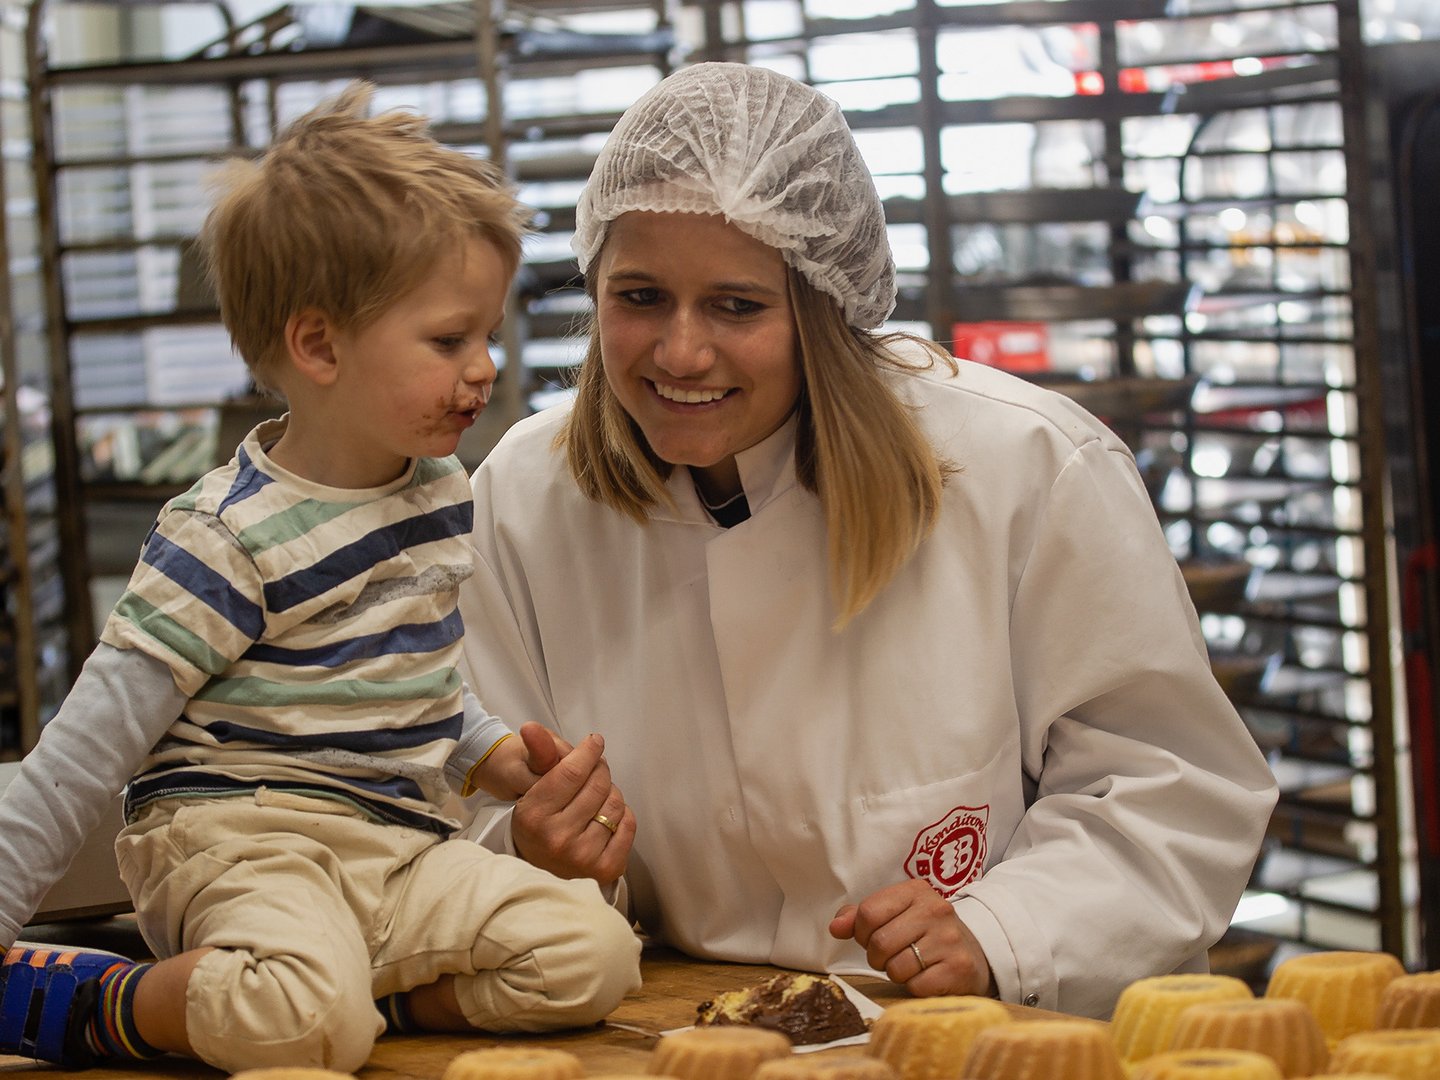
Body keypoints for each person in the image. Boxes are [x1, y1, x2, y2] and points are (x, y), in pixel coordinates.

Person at [454, 61, 1279, 1021]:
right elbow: (465, 794)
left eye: (737, 305)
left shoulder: (1025, 469)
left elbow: (1168, 788)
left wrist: (999, 931)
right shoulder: (523, 499)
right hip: (670, 1029)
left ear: (824, 307)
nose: (680, 353)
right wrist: (528, 848)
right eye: (640, 297)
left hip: (981, 1031)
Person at [0, 83, 640, 1074]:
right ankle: (97, 999)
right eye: (448, 340)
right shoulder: (225, 537)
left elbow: (399, 673)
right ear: (318, 344)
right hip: (240, 843)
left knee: (591, 955)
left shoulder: (435, 489)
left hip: (391, 844)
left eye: (486, 333)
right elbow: (83, 756)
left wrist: (490, 754)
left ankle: (353, 1000)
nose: (485, 365)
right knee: (298, 1021)